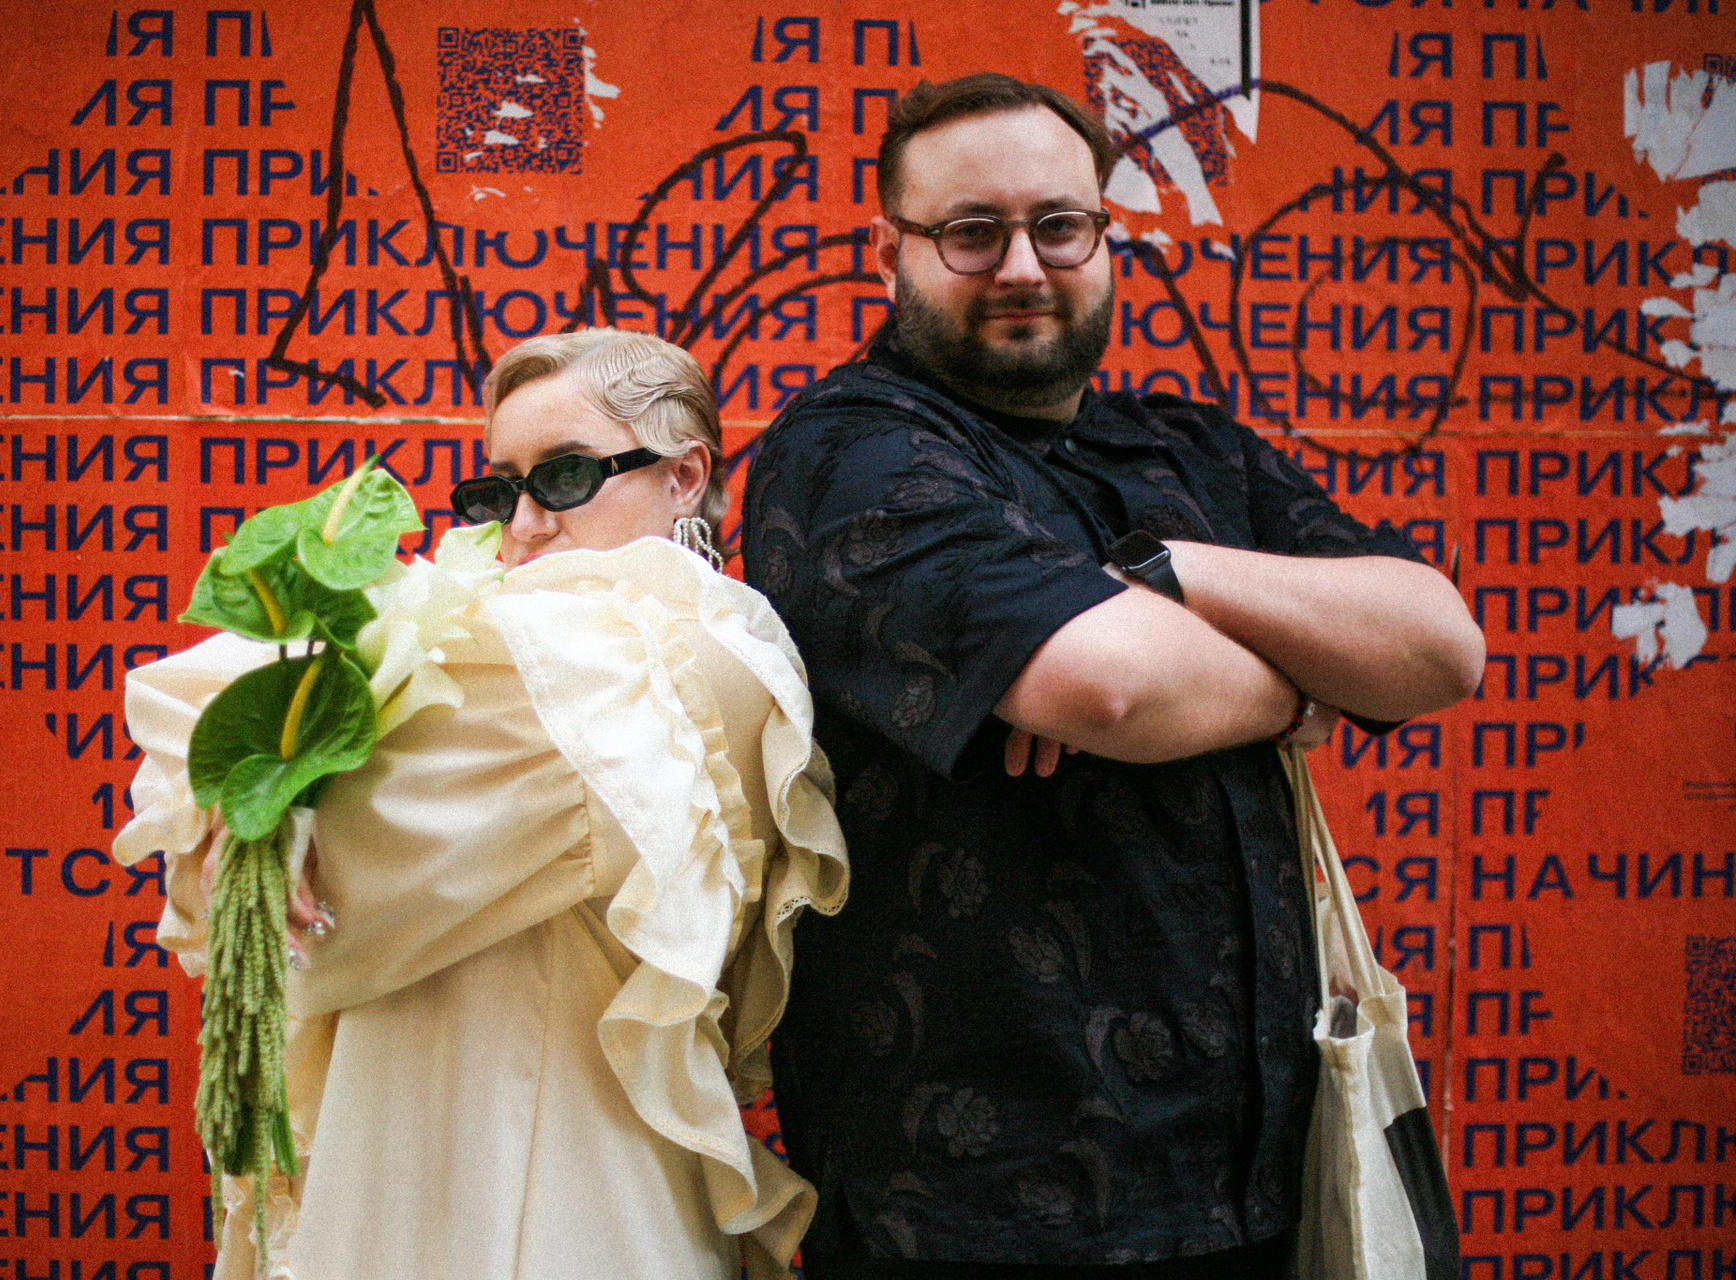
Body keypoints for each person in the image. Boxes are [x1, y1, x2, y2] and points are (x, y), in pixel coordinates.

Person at [741, 74, 1485, 1278]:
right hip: (977, 1208)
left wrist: (1168, 569)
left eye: (1058, 226)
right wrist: (1303, 685)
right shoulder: (850, 452)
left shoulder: (1187, 446)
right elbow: (1112, 688)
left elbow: (1439, 646)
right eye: (971, 232)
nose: (1022, 267)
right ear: (890, 254)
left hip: (1251, 1181)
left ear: (1103, 236)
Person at [114, 329, 848, 1280]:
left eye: (567, 475)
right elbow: (223, 755)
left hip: (564, 1216)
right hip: (406, 1173)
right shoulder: (519, 651)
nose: (528, 523)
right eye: (501, 489)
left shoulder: (676, 660)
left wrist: (263, 790)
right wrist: (261, 790)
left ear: (684, 476)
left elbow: (324, 866)